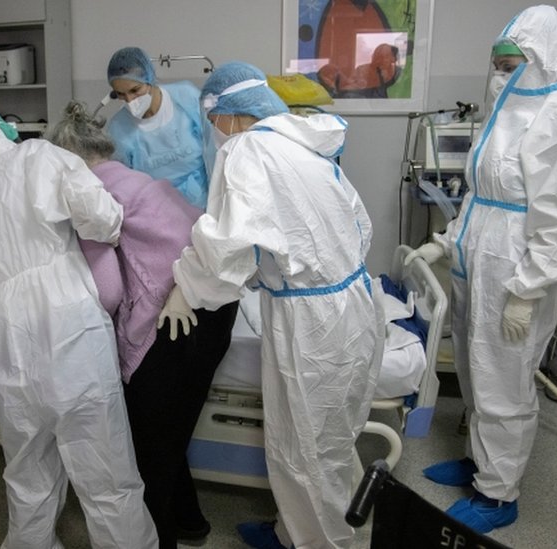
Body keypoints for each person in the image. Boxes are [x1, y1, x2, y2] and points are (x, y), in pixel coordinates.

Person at [0, 102, 158, 549]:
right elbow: (102, 218)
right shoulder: (37, 158)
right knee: (105, 469)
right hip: (66, 321)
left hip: (3, 332)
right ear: (0, 129)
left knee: (27, 465)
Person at [161, 61, 383, 549]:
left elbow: (226, 246)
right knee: (329, 440)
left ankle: (322, 545)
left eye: (213, 120)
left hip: (311, 322)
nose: (213, 132)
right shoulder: (301, 142)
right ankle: (296, 530)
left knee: (306, 448)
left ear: (232, 114)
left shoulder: (248, 149)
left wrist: (187, 285)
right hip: (351, 300)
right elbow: (354, 223)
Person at [405, 5, 557, 534]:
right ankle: (478, 462)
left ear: (542, 60)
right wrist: (446, 245)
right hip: (479, 263)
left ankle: (498, 494)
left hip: (517, 271)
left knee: (505, 384)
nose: (500, 71)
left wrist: (528, 290)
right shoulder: (504, 110)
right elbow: (481, 196)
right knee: (474, 369)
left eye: (511, 62)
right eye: (497, 61)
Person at [46, 101, 239, 548]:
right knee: (171, 431)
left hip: (172, 322)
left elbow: (109, 290)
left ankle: (162, 540)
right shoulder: (143, 181)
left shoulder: (90, 196)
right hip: (215, 308)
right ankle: (190, 522)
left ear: (64, 162)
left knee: (148, 450)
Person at [105, 46, 212, 210]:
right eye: (120, 94)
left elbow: (214, 148)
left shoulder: (185, 97)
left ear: (150, 79)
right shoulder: (119, 128)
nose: (129, 100)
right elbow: (123, 183)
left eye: (135, 90)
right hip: (157, 216)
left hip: (205, 203)